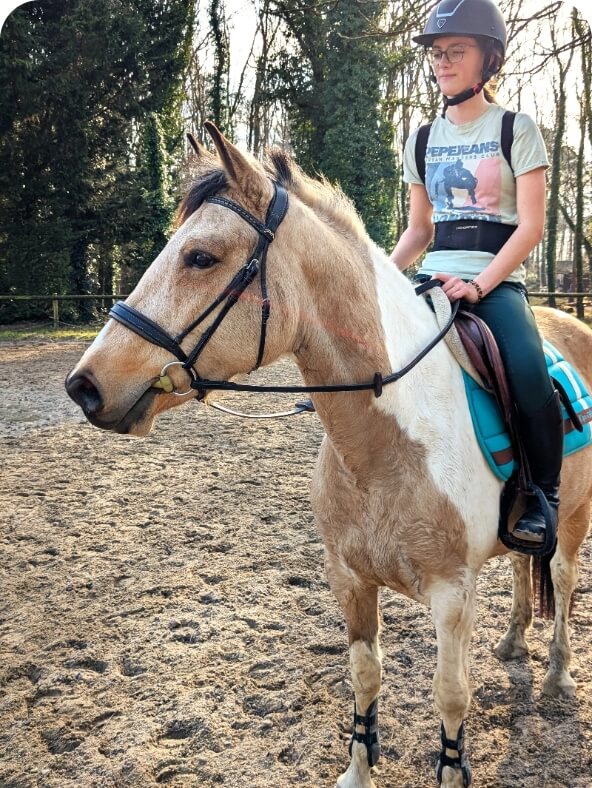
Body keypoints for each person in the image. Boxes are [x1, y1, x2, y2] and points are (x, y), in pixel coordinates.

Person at [389, 0, 562, 545]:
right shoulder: (420, 139)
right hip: (434, 275)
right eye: (437, 53)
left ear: (489, 58)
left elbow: (530, 228)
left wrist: (481, 284)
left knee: (531, 373)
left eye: (455, 51)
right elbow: (419, 230)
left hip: (494, 280)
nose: (442, 62)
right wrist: (382, 277)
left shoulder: (516, 129)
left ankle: (542, 497)